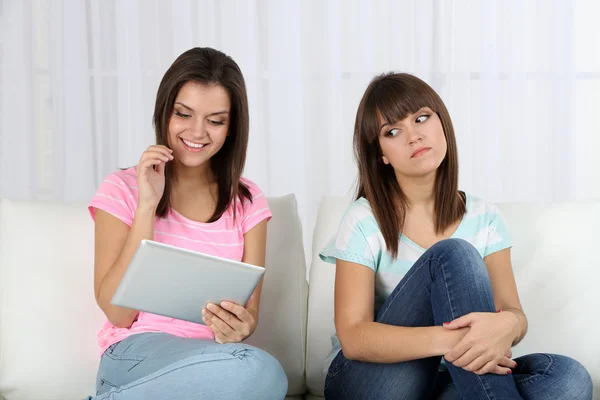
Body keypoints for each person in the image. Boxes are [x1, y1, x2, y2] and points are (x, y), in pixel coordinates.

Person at [319, 72, 593, 399]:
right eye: (393, 131)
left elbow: (512, 313)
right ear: (381, 154)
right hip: (374, 381)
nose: (414, 136)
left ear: (442, 125)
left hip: (452, 379)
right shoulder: (364, 219)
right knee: (454, 254)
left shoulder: (485, 218)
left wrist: (510, 326)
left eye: (422, 118)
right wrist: (457, 340)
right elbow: (354, 337)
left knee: (567, 378)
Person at [85, 47, 288, 400]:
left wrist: (238, 328)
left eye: (216, 120)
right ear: (165, 111)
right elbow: (118, 314)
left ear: (232, 127)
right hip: (134, 355)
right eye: (184, 114)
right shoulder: (122, 189)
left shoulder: (248, 201)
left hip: (211, 364)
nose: (197, 132)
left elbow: (248, 318)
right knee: (260, 370)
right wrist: (147, 204)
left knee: (260, 373)